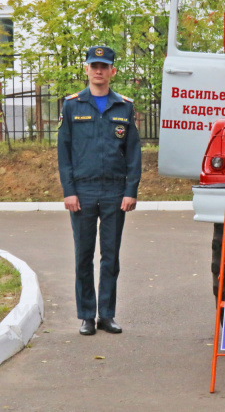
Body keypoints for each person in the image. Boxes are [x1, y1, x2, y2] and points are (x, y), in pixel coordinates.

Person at [57, 46, 142, 336]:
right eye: (94, 65)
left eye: (104, 66)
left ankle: (106, 315)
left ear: (112, 71)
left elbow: (133, 154)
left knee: (110, 256)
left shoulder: (124, 107)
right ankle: (86, 316)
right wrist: (69, 191)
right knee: (83, 256)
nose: (98, 71)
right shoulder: (72, 105)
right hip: (82, 191)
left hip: (114, 193)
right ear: (86, 69)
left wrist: (130, 191)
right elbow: (64, 153)